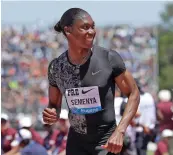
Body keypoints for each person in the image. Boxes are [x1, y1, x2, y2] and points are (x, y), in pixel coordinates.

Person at [42, 8, 140, 155]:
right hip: (76, 143)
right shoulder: (57, 67)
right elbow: (54, 104)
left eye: (92, 26)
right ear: (68, 31)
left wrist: (120, 131)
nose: (92, 32)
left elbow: (133, 93)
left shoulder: (108, 58)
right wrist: (51, 113)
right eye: (85, 27)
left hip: (106, 142)